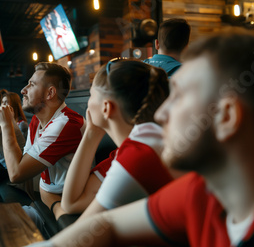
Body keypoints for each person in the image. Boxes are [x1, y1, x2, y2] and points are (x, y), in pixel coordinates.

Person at [8, 30, 254, 247]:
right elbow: (107, 224)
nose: (160, 113)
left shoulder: (146, 155)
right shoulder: (199, 193)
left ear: (226, 117)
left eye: (179, 96)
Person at [61, 59, 174, 219]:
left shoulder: (137, 156)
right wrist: (92, 133)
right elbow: (73, 202)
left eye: (91, 94)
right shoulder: (135, 146)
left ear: (106, 108)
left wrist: (91, 133)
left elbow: (70, 206)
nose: (88, 102)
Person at [0, 62, 85, 236]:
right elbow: (23, 163)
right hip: (46, 202)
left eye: (32, 84)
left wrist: (7, 126)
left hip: (66, 210)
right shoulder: (37, 120)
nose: (23, 90)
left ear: (50, 93)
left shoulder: (65, 124)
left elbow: (16, 173)